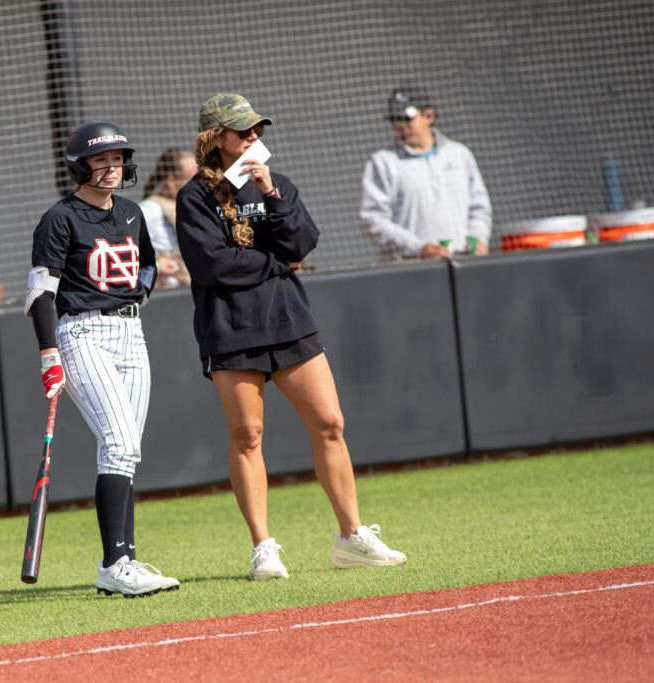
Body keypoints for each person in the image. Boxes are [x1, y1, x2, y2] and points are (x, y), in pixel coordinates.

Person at [176, 93, 407, 580]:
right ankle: (264, 548)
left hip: (290, 320)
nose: (254, 137)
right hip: (231, 328)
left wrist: (272, 197)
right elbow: (212, 265)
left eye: (257, 129)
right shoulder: (194, 195)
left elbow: (303, 242)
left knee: (330, 423)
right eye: (243, 131)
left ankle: (352, 537)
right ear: (215, 139)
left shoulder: (276, 183)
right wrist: (278, 263)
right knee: (248, 435)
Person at [25, 121, 179, 598]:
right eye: (100, 159)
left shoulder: (132, 212)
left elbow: (148, 263)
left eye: (117, 159)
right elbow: (39, 293)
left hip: (131, 330)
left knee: (125, 451)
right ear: (79, 165)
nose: (111, 168)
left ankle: (124, 560)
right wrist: (49, 354)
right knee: (119, 441)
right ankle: (114, 563)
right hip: (82, 332)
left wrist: (139, 296)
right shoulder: (59, 218)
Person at [360, 87, 492, 260]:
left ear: (429, 116)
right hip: (410, 268)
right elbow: (372, 219)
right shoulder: (383, 161)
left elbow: (479, 207)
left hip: (463, 262)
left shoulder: (459, 154)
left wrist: (478, 238)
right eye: (395, 119)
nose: (400, 125)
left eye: (407, 118)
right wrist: (418, 248)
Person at [138, 148, 199, 289]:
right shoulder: (150, 209)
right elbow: (127, 251)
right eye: (193, 180)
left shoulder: (193, 208)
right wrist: (157, 264)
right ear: (171, 182)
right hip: (163, 293)